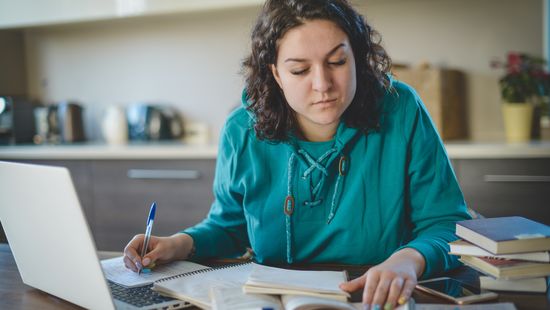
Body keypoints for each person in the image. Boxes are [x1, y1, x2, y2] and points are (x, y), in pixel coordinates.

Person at [124, 0, 471, 309]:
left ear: (358, 58)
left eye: (337, 61)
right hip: (271, 298)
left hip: (372, 298)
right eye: (299, 70)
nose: (322, 84)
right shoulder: (241, 129)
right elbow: (230, 226)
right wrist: (176, 244)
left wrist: (409, 259)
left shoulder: (402, 108)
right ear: (275, 73)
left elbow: (447, 223)